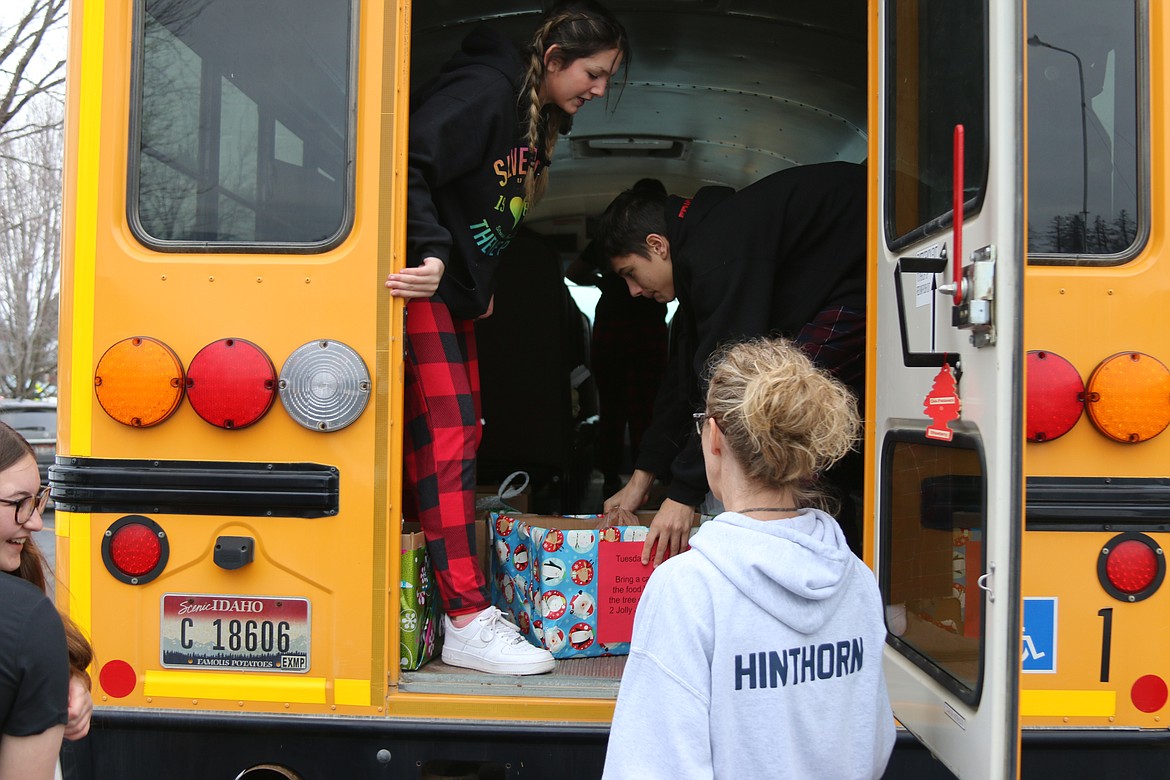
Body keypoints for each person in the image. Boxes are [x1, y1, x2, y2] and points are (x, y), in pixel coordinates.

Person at [383, 2, 629, 674]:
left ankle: (431, 597)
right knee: (448, 434)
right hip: (417, 284)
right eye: (594, 72)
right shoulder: (487, 91)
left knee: (453, 434)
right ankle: (465, 614)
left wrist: (474, 283)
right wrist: (435, 255)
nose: (599, 90)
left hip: (449, 295)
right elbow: (404, 161)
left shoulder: (531, 118)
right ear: (553, 60)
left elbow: (482, 216)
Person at [602, 337, 894, 779]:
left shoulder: (688, 587)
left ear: (714, 435)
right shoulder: (855, 578)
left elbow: (650, 766)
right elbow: (873, 745)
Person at [596, 161, 867, 564]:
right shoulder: (700, 256)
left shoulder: (717, 249)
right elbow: (683, 380)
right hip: (834, 289)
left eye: (631, 274)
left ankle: (822, 568)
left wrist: (682, 496)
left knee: (783, 409)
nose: (633, 291)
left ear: (657, 245)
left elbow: (729, 380)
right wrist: (643, 478)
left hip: (865, 284)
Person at [1, 422, 94, 780]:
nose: (37, 522)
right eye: (18, 503)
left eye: (38, 499)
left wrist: (62, 676)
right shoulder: (26, 618)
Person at [565, 179, 669, 497]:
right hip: (646, 332)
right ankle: (646, 479)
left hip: (612, 331)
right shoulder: (622, 239)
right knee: (646, 408)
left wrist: (604, 282)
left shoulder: (605, 241)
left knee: (613, 408)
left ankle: (612, 477)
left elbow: (574, 273)